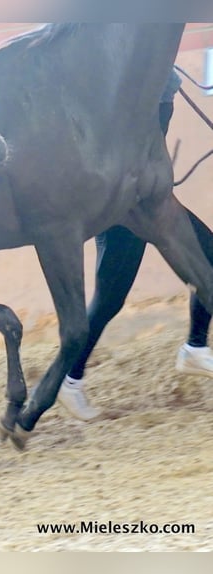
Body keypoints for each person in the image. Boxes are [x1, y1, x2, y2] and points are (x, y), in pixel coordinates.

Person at [57, 68, 213, 421]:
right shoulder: (119, 76)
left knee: (207, 259)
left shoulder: (152, 65)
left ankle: (196, 346)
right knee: (109, 299)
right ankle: (68, 379)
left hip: (151, 201)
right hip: (124, 206)